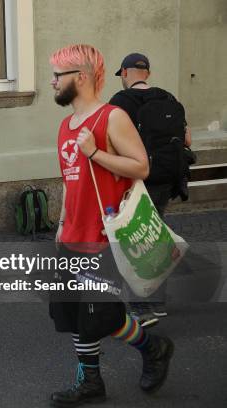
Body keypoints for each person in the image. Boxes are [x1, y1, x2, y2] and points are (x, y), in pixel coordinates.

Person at [49, 44, 174, 406]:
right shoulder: (64, 125)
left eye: (59, 75)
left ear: (81, 77)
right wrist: (61, 223)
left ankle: (152, 348)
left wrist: (95, 152)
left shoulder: (111, 117)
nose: (53, 81)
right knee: (75, 314)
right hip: (72, 234)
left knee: (101, 315)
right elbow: (68, 181)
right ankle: (93, 381)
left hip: (103, 236)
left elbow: (142, 167)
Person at [109, 53, 192, 326]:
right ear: (148, 72)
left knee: (135, 237)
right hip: (166, 178)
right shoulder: (169, 99)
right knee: (155, 235)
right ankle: (157, 304)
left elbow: (111, 142)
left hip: (135, 179)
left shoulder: (121, 102)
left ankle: (139, 307)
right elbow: (187, 138)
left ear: (124, 73)